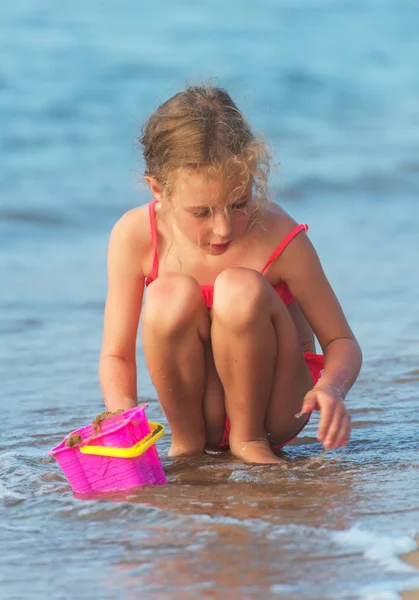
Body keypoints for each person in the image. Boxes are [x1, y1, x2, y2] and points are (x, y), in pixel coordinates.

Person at [98, 85, 362, 465]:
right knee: (167, 295)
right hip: (197, 410)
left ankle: (249, 441)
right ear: (158, 189)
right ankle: (187, 447)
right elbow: (116, 354)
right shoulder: (135, 235)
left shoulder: (278, 235)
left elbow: (341, 341)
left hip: (276, 407)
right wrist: (121, 417)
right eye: (202, 212)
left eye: (239, 203)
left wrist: (332, 389)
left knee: (239, 287)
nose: (224, 228)